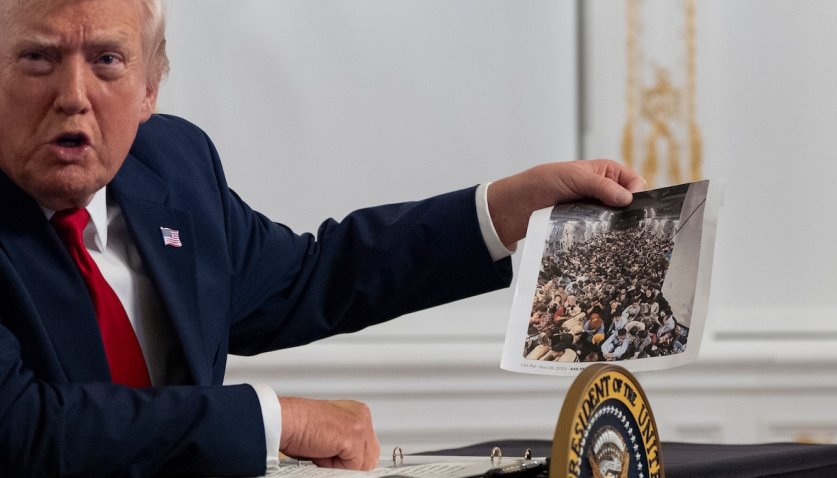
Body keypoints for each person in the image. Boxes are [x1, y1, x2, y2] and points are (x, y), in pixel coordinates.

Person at [0, 0, 647, 476]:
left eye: (107, 60)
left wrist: (507, 212)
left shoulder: (172, 166)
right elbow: (22, 431)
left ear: (149, 88)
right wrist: (276, 420)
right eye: (38, 59)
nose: (74, 96)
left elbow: (306, 280)